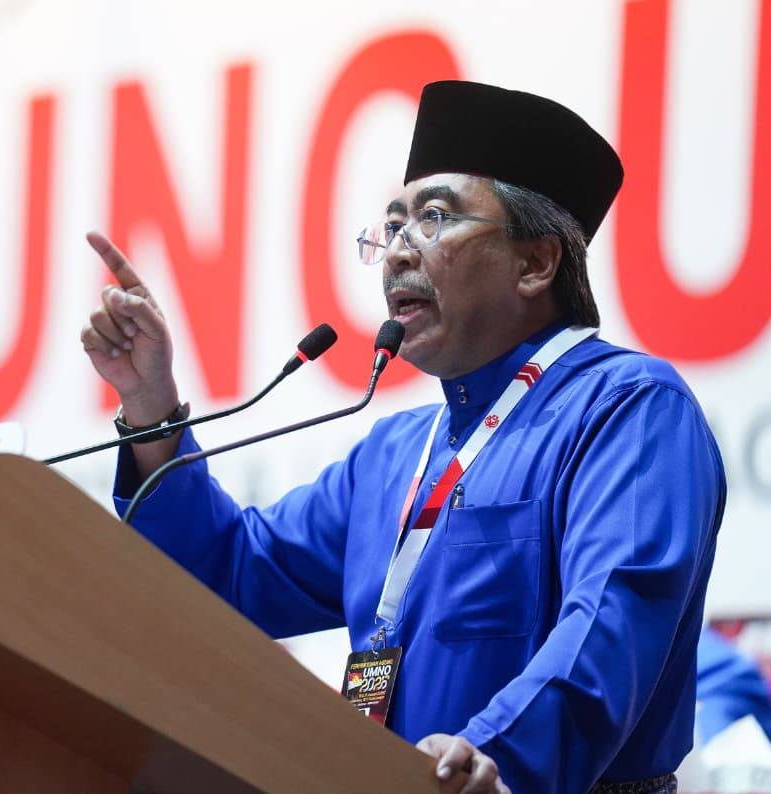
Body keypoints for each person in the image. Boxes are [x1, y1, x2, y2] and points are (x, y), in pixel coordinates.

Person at [79, 81, 726, 793]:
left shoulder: (629, 408)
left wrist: (494, 756)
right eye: (392, 227)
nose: (395, 253)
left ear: (536, 263)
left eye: (434, 218)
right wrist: (150, 401)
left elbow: (611, 625)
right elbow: (227, 572)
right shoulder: (394, 455)